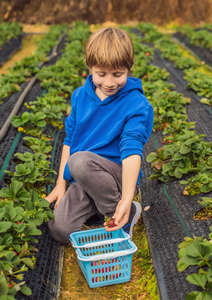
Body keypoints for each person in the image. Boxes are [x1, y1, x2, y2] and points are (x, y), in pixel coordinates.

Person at [46, 27, 154, 244]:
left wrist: (126, 197)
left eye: (118, 74)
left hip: (115, 175)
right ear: (90, 68)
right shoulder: (79, 97)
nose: (110, 83)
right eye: (101, 74)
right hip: (84, 176)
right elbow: (69, 141)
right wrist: (61, 185)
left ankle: (123, 212)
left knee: (80, 162)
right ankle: (98, 208)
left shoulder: (137, 105)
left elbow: (132, 150)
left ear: (129, 69)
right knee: (60, 229)